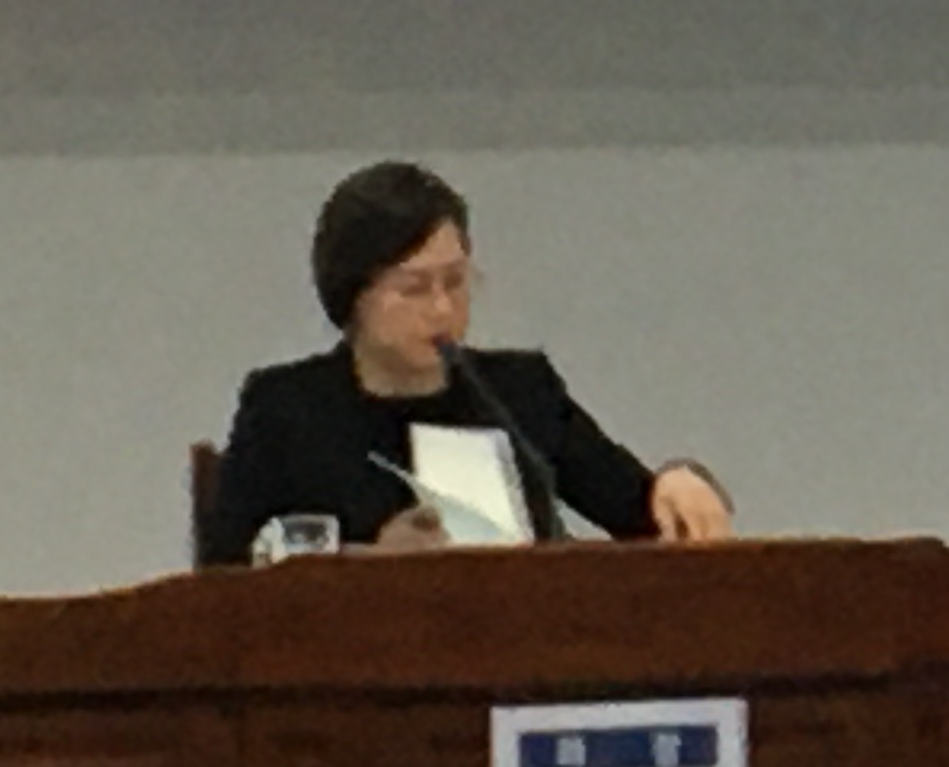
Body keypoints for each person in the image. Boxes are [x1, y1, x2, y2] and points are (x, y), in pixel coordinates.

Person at [193, 159, 735, 566]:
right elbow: (226, 571)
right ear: (352, 294)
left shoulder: (518, 393)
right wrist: (368, 563)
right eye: (414, 288)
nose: (442, 309)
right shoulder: (286, 409)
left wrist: (679, 483)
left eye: (455, 282)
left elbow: (640, 513)